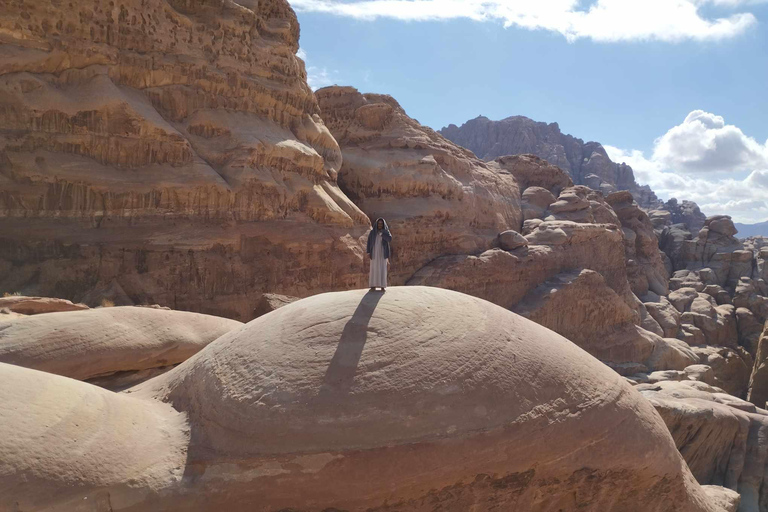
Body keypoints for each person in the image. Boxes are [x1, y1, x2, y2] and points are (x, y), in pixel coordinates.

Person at [366, 217, 392, 291]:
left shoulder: (386, 232)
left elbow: (389, 239)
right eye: (379, 223)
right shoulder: (372, 232)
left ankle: (382, 286)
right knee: (374, 268)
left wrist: (382, 234)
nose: (380, 225)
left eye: (381, 224)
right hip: (374, 252)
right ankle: (373, 285)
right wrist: (368, 252)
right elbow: (369, 242)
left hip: (382, 253)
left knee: (382, 268)